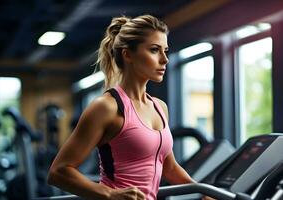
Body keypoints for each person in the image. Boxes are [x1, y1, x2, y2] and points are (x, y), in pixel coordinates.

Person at [48, 14, 213, 200]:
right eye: (154, 50)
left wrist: (203, 193)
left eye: (165, 51)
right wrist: (111, 194)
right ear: (128, 55)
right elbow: (58, 171)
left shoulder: (160, 107)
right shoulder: (106, 107)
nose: (165, 59)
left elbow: (169, 167)